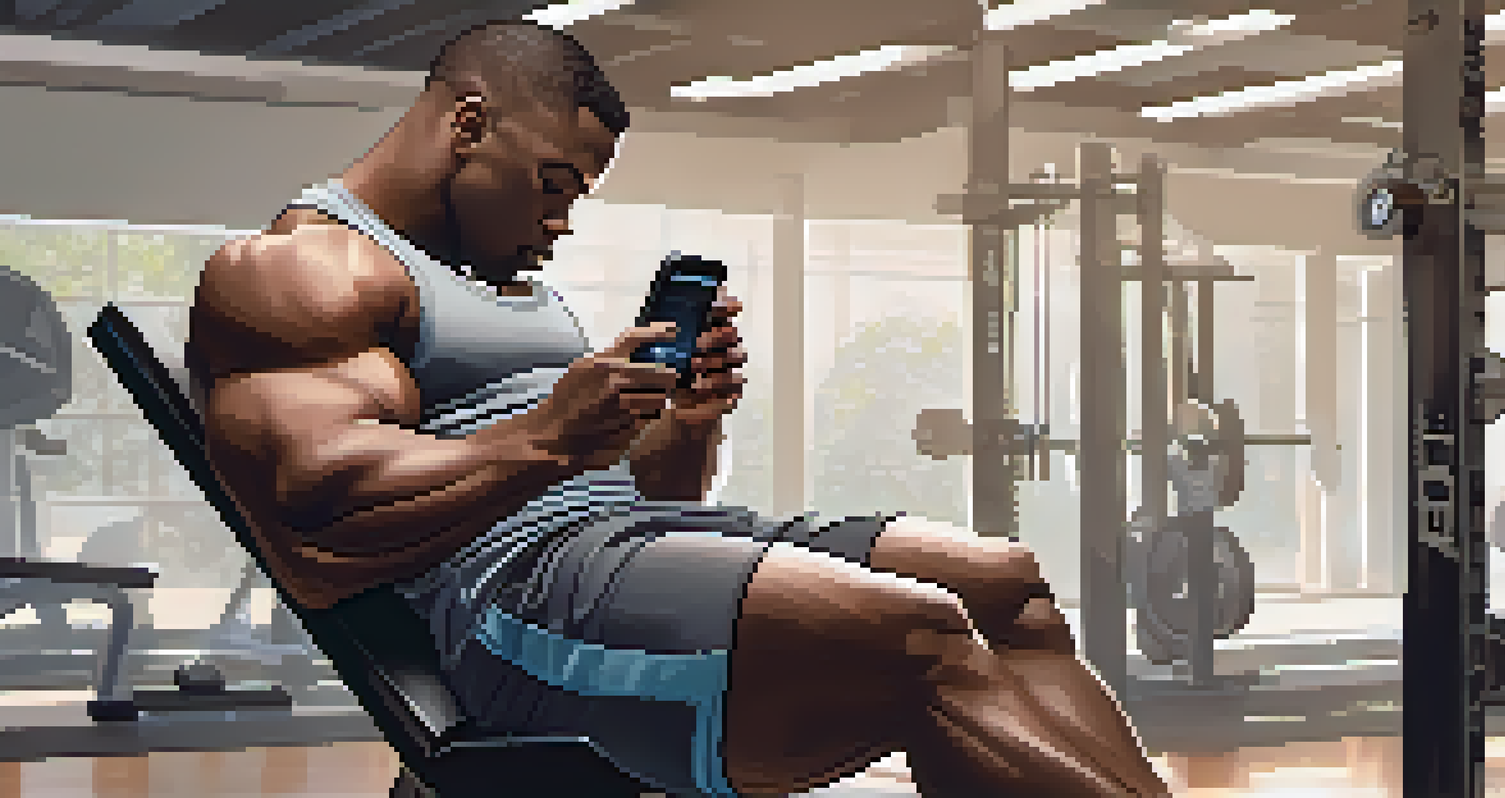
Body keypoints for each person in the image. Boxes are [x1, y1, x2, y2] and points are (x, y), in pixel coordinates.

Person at [185, 19, 1170, 798]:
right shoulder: (301, 273)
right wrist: (543, 436)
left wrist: (682, 423)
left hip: (623, 554)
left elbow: (647, 497)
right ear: (468, 124)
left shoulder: (501, 274)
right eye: (554, 185)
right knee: (919, 635)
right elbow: (314, 528)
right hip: (519, 612)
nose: (562, 222)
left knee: (1003, 582)